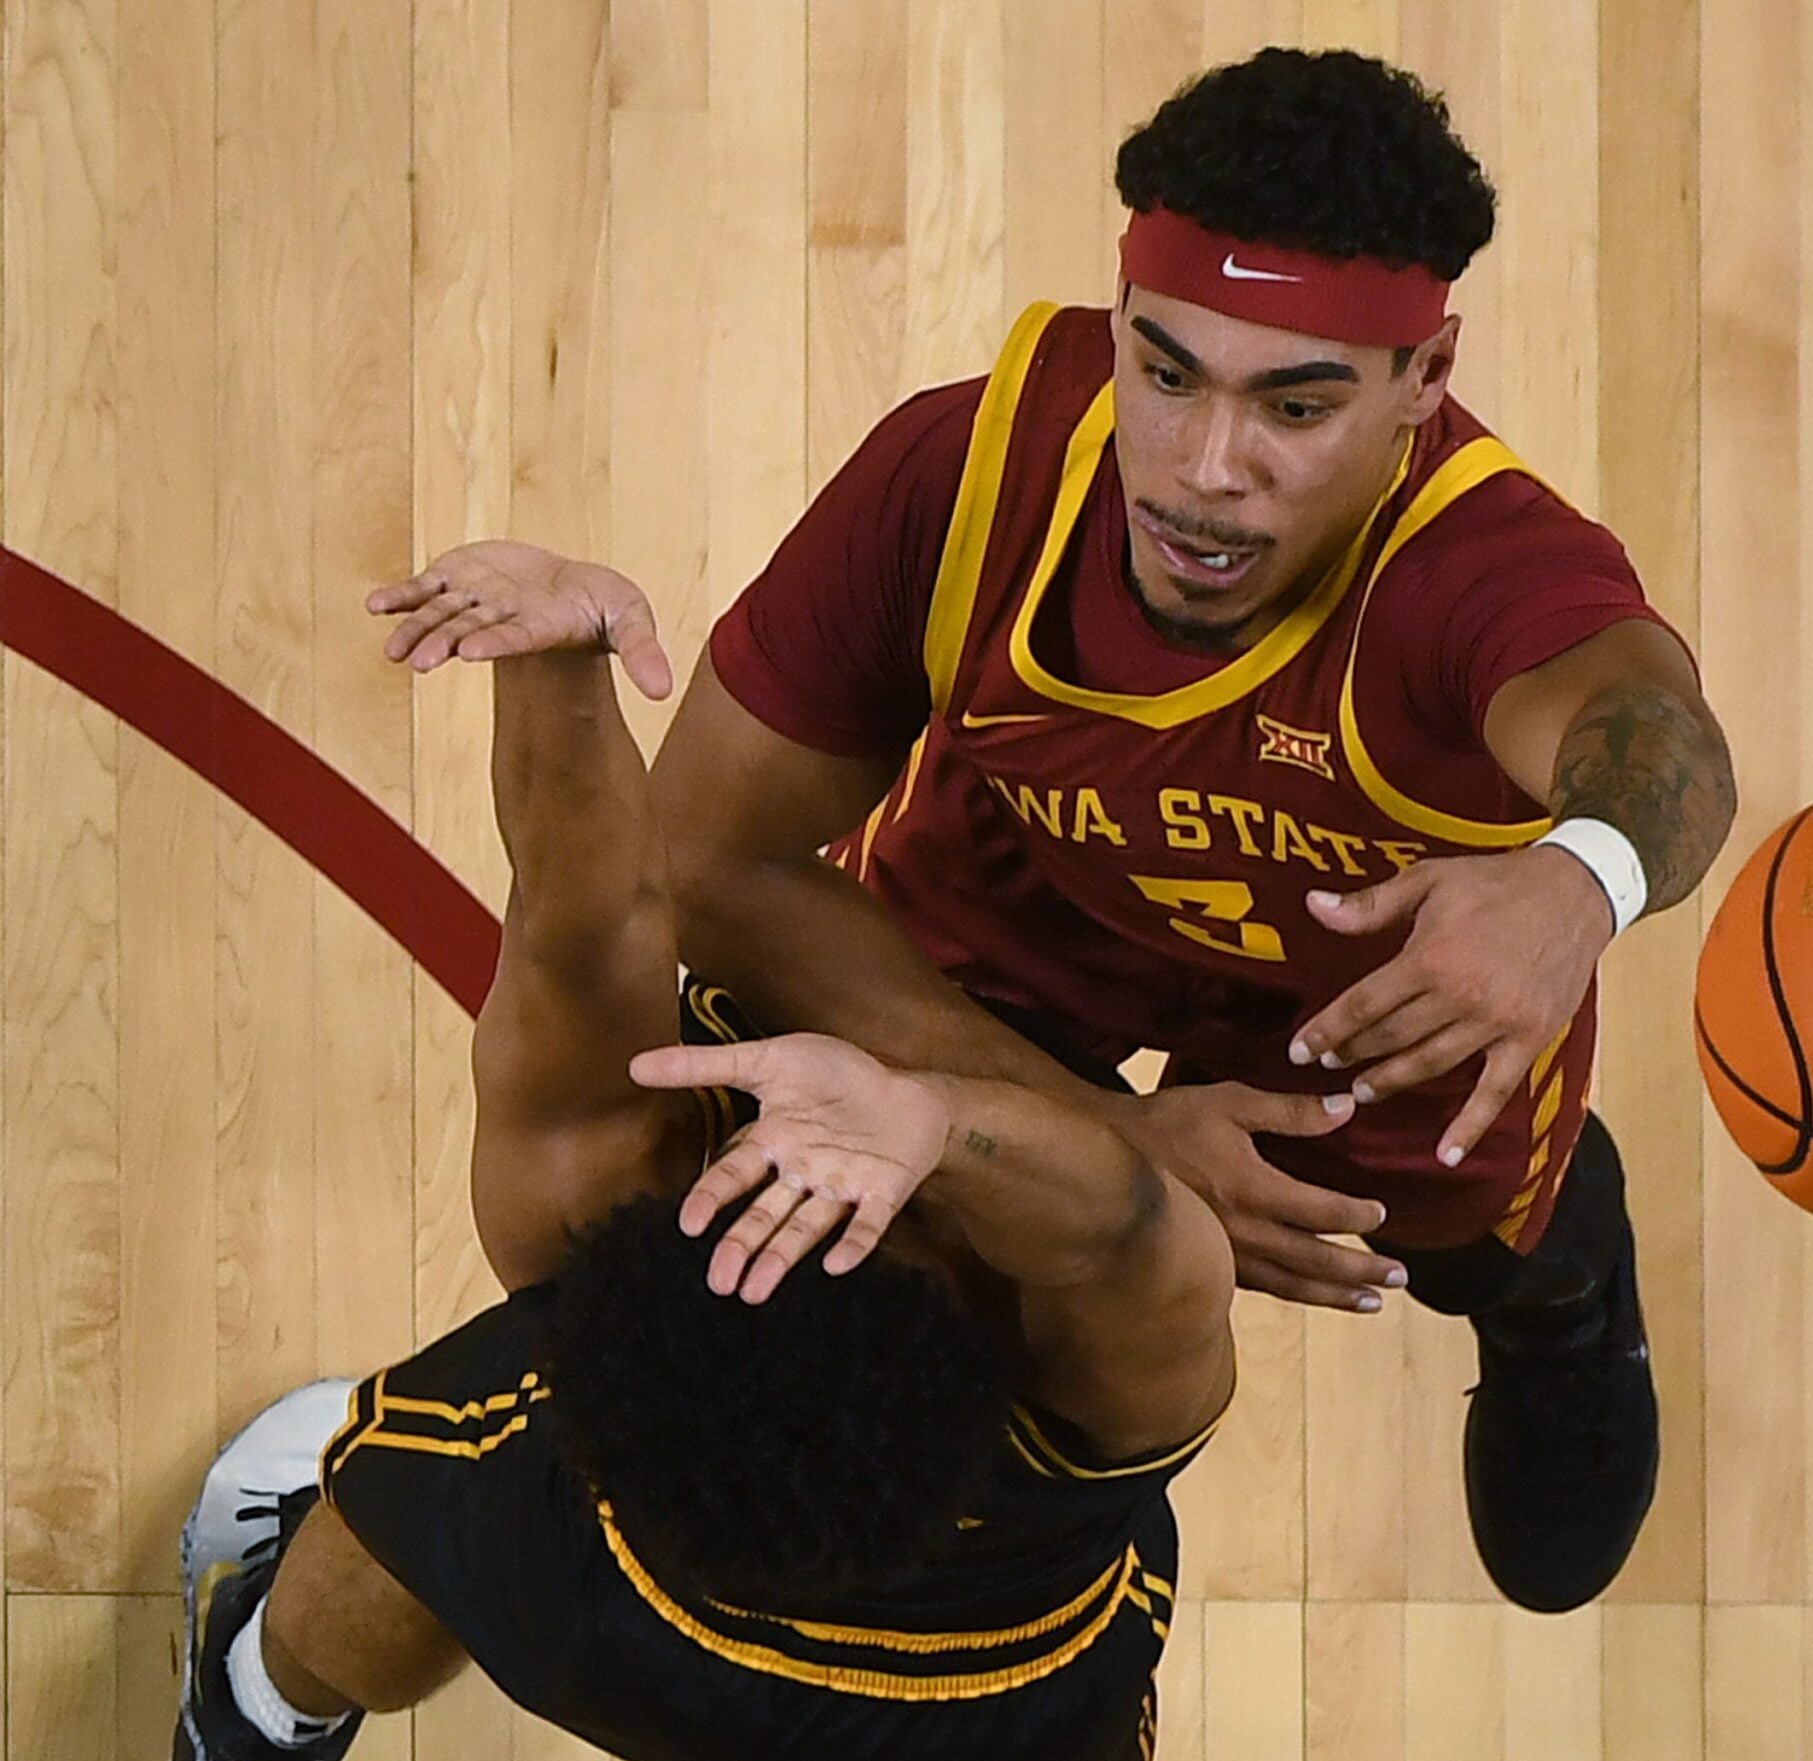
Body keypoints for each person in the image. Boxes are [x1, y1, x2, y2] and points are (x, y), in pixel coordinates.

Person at [571, 48, 1728, 1610]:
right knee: (906, 1216)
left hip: (1356, 977)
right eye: (1167, 373)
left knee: (1438, 1229)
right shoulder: (966, 476)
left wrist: (1576, 883)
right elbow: (704, 861)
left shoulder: (1474, 565)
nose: (1204, 470)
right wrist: (1108, 1139)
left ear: (1424, 377)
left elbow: (1659, 738)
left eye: (1297, 405)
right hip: (1025, 892)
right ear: (1118, 317)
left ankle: (1557, 1283)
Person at [173, 550, 1262, 1760]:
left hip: (602, 1614)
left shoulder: (584, 1213)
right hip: (1007, 1707)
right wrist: (932, 1122)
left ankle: (258, 1712)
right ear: (967, 1352)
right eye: (866, 1219)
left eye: (782, 1205)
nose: (827, 1179)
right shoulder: (1088, 1415)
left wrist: (557, 676)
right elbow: (1130, 1222)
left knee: (406, 1512)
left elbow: (580, 936)